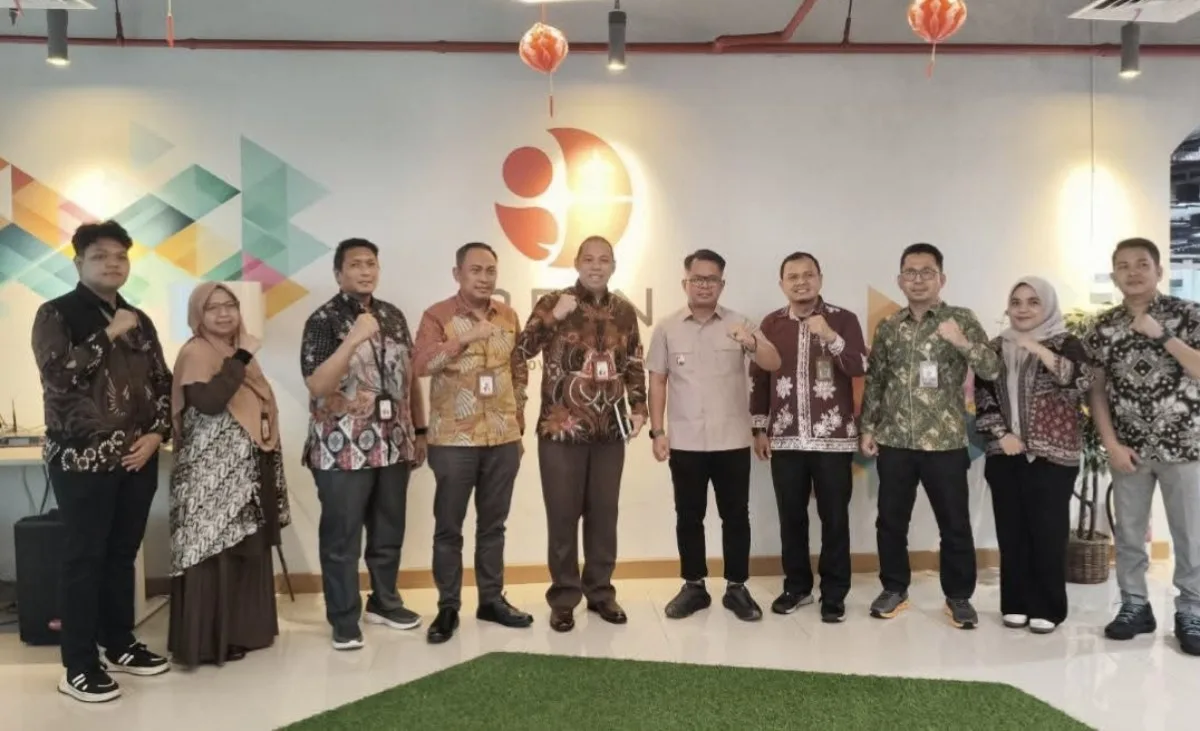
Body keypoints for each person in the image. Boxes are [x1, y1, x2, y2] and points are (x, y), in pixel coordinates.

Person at [32, 221, 173, 703]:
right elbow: (58, 377)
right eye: (100, 256)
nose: (113, 263)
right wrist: (109, 333)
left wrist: (157, 434)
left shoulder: (139, 318)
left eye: (120, 256)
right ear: (78, 263)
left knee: (121, 555)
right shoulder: (56, 313)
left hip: (137, 458)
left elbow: (162, 382)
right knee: (84, 558)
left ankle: (119, 643)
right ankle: (77, 664)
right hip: (81, 461)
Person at [860, 242, 1000, 629]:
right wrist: (868, 426)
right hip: (895, 441)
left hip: (945, 442)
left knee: (954, 523)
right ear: (899, 279)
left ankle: (959, 597)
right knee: (890, 522)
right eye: (911, 272)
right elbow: (876, 380)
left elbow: (991, 369)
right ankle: (894, 589)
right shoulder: (889, 326)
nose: (918, 279)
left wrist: (962, 342)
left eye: (927, 272)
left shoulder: (961, 319)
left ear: (942, 278)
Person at [514, 235, 647, 633]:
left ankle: (601, 593)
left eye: (604, 260)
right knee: (562, 516)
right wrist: (553, 317)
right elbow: (521, 350)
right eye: (588, 259)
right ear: (576, 263)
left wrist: (639, 407)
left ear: (613, 266)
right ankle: (563, 598)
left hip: (610, 431)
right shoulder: (553, 302)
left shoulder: (625, 310)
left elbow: (634, 362)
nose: (596, 266)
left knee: (604, 516)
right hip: (561, 430)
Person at [300, 238, 428, 651]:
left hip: (394, 442)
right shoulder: (323, 320)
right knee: (342, 538)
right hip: (342, 448)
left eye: (371, 264)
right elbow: (318, 385)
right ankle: (343, 618)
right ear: (339, 274)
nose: (365, 271)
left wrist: (420, 430)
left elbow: (409, 378)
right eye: (355, 265)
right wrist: (353, 339)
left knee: (388, 530)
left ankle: (385, 602)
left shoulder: (393, 315)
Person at [648, 249, 782, 623]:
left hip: (732, 440)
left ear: (722, 284)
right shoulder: (667, 327)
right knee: (688, 516)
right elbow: (657, 380)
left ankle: (737, 587)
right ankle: (694, 586)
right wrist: (658, 431)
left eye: (711, 280)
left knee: (735, 516)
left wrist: (751, 342)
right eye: (697, 279)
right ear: (685, 283)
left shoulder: (740, 323)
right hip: (686, 440)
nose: (704, 285)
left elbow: (773, 362)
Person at [413, 242, 533, 644]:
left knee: (493, 526)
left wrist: (517, 421)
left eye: (490, 271)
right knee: (449, 527)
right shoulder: (438, 315)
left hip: (502, 437)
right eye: (476, 270)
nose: (484, 278)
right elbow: (421, 365)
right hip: (453, 440)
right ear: (457, 274)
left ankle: (491, 600)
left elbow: (518, 369)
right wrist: (465, 338)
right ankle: (448, 607)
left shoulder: (509, 316)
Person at [1085, 238, 1200, 656]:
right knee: (1130, 534)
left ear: (1159, 271)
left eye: (1141, 264)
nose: (1132, 272)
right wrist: (1110, 443)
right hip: (1128, 449)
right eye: (1123, 265)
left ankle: (1192, 610)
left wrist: (1162, 335)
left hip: (1184, 445)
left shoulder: (1188, 314)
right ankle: (1135, 605)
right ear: (1114, 274)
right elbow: (1096, 391)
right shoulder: (1101, 327)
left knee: (1191, 535)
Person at [167, 282, 292, 667]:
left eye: (230, 306)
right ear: (197, 315)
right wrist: (241, 355)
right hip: (210, 476)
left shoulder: (237, 353)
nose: (224, 314)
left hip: (245, 470)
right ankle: (210, 641)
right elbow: (208, 402)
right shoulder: (197, 352)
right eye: (213, 308)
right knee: (212, 551)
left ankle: (242, 632)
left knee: (244, 550)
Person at [750, 252, 868, 624]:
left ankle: (834, 593)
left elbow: (859, 365)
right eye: (793, 276)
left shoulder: (843, 319)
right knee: (791, 517)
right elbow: (759, 377)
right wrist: (759, 427)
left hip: (833, 438)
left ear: (820, 278)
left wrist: (830, 337)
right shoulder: (771, 324)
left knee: (835, 519)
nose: (801, 282)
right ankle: (797, 587)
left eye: (808, 274)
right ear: (781, 283)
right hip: (785, 437)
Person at [974, 276, 1092, 634]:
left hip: (1053, 457)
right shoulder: (996, 347)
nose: (1023, 309)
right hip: (1004, 453)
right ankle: (1015, 603)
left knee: (1047, 533)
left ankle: (1048, 607)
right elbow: (983, 396)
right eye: (1016, 302)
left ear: (1047, 306)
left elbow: (1081, 382)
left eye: (1033, 301)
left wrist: (1038, 349)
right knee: (1011, 533)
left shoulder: (1067, 343)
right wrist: (1002, 434)